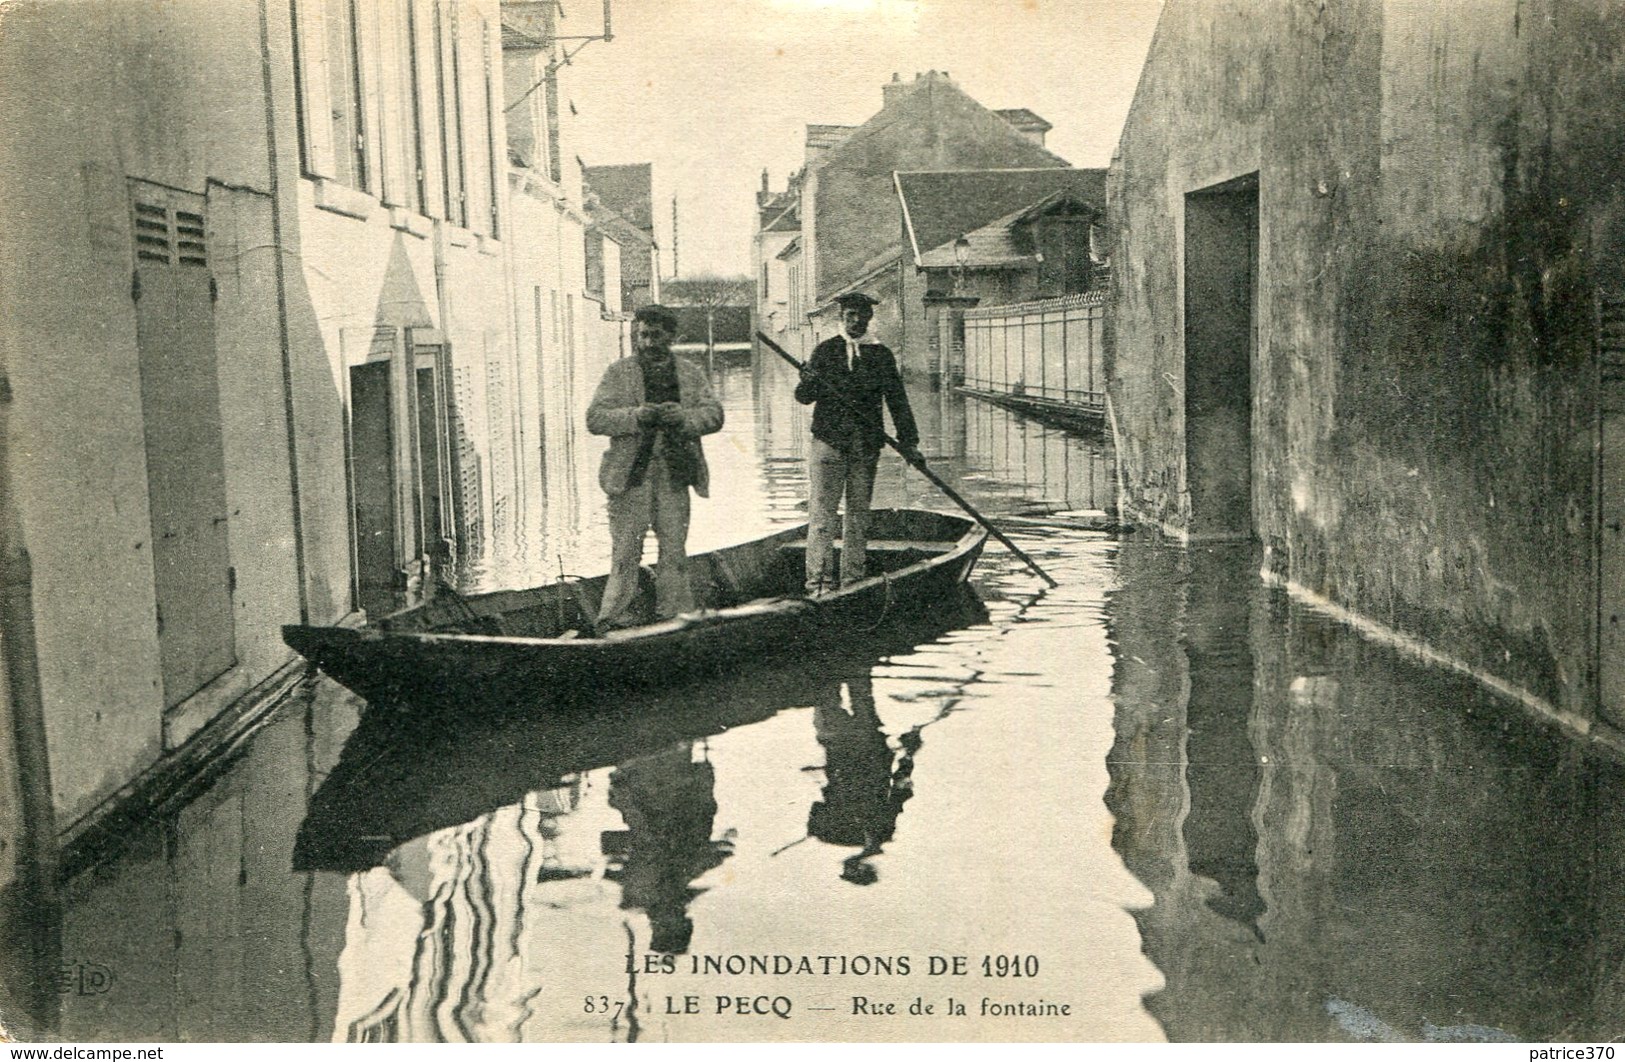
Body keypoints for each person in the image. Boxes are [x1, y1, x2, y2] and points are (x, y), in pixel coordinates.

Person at [586, 304, 723, 629]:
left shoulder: (690, 373)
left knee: (674, 551)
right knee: (624, 554)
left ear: (671, 337)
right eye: (643, 335)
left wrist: (686, 419)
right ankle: (613, 620)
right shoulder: (618, 373)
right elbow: (595, 418)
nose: (648, 342)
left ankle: (673, 618)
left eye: (656, 335)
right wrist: (634, 417)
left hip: (675, 476)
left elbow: (715, 414)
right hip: (630, 478)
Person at [793, 292, 920, 595]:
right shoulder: (825, 351)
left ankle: (852, 581)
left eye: (862, 315)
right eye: (850, 314)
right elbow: (803, 397)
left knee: (859, 515)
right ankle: (818, 585)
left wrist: (909, 442)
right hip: (828, 446)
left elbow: (897, 401)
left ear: (870, 318)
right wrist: (808, 379)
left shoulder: (881, 356)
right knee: (822, 516)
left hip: (865, 447)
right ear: (842, 317)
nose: (856, 321)